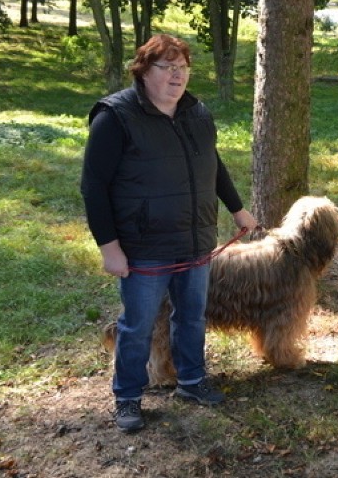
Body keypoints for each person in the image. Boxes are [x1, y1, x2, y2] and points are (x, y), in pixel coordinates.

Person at [80, 34, 258, 433]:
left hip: (194, 238)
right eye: (167, 66)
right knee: (138, 325)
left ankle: (192, 382)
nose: (177, 75)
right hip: (143, 245)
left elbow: (212, 164)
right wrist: (110, 248)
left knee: (192, 316)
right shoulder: (115, 117)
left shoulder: (197, 113)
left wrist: (238, 209)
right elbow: (94, 187)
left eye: (183, 67)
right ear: (143, 71)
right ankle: (127, 396)